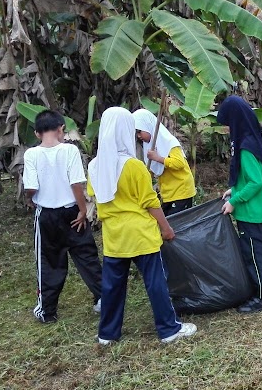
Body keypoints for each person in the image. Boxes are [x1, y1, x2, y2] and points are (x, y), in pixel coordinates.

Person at [88, 107, 196, 345]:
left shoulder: (95, 166)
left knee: (113, 286)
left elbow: (95, 196)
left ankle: (107, 333)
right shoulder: (134, 166)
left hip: (114, 236)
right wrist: (166, 228)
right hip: (141, 235)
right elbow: (150, 202)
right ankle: (169, 329)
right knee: (156, 282)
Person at [23, 110, 103, 324]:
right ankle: (103, 299)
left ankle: (47, 312)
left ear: (37, 133)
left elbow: (31, 187)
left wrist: (30, 199)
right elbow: (76, 183)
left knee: (49, 263)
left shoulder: (31, 154)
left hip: (47, 215)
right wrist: (82, 210)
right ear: (61, 129)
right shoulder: (70, 150)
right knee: (87, 256)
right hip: (72, 212)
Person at [217, 96, 262, 314]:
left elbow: (256, 182)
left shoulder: (246, 147)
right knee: (254, 251)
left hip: (249, 211)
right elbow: (252, 176)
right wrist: (235, 188)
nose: (228, 129)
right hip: (252, 208)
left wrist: (234, 201)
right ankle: (260, 290)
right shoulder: (251, 139)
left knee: (254, 254)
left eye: (229, 124)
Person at [132, 109, 196, 216]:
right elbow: (152, 169)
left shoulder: (169, 142)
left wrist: (158, 158)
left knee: (177, 223)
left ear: (147, 126)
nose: (138, 136)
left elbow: (179, 163)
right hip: (168, 193)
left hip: (181, 191)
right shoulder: (149, 147)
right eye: (136, 133)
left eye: (140, 131)